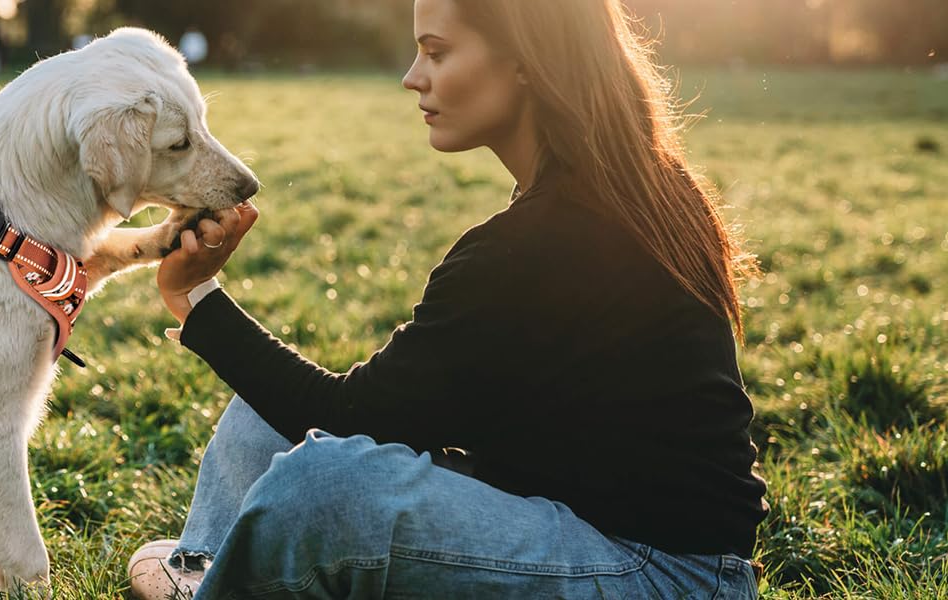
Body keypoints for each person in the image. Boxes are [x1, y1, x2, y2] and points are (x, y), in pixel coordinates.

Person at [127, 0, 768, 598]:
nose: (412, 77)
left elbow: (352, 416)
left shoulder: (540, 240)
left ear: (524, 61)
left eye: (435, 53)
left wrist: (192, 293)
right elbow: (405, 409)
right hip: (564, 510)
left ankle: (212, 581)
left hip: (662, 574)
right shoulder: (620, 189)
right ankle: (203, 567)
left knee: (323, 486)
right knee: (267, 415)